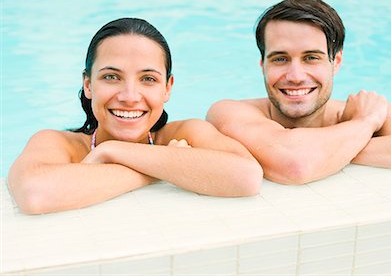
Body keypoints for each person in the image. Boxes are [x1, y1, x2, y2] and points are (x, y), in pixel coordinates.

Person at [8, 18, 263, 214]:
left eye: (148, 79)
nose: (130, 96)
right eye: (111, 77)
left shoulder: (187, 133)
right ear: (88, 84)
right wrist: (161, 168)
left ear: (167, 88)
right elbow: (35, 194)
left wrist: (113, 152)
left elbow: (247, 177)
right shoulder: (58, 144)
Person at [207, 0, 391, 185]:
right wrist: (362, 126)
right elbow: (295, 165)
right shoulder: (230, 112)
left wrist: (336, 151)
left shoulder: (358, 109)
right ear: (263, 65)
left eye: (311, 58)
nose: (296, 76)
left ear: (337, 63)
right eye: (280, 59)